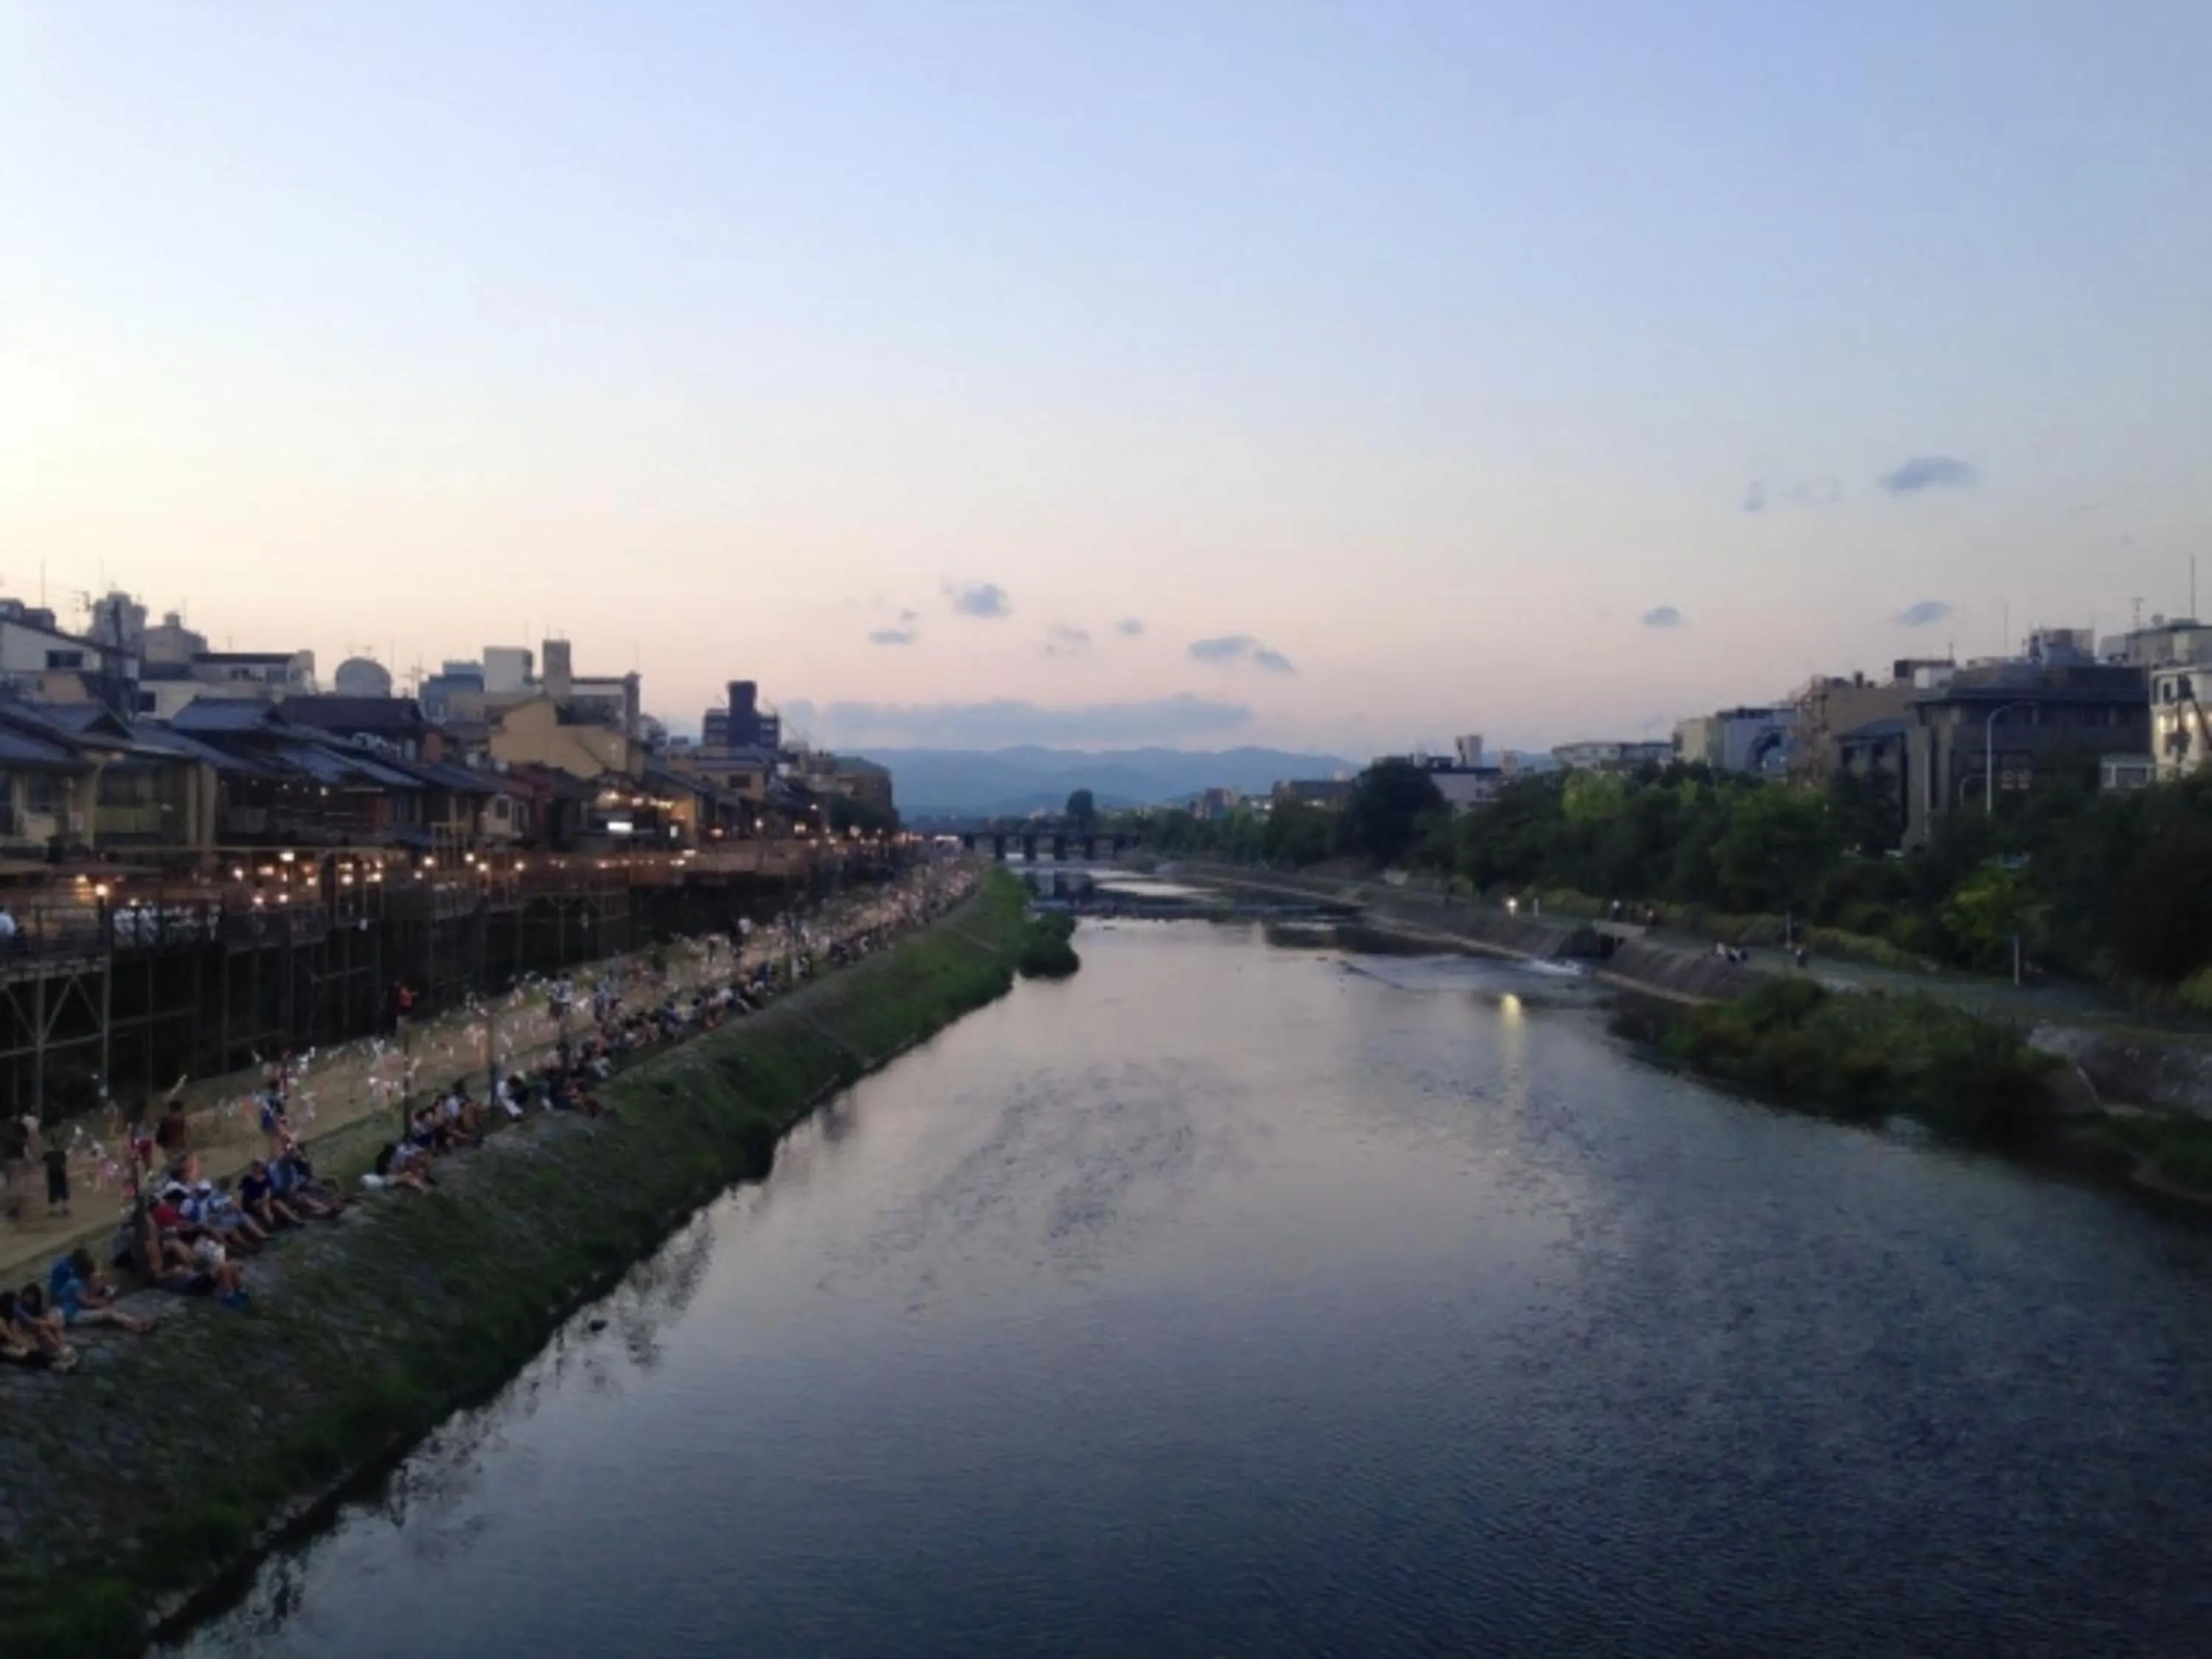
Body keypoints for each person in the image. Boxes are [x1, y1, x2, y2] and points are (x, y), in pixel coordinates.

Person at [51, 1248, 153, 1335]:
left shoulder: (80, 1282)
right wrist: (103, 1301)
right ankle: (137, 1326)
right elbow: (86, 1302)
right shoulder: (74, 1283)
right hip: (73, 1315)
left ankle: (135, 1322)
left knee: (111, 1311)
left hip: (79, 1309)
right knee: (108, 1314)